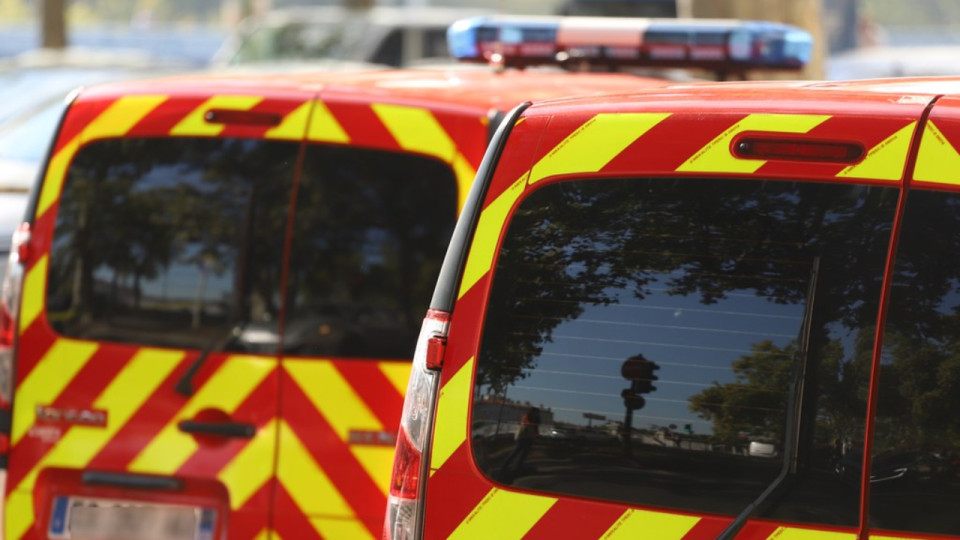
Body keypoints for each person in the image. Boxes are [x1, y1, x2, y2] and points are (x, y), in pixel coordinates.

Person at [499, 407, 540, 482]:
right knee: (518, 453)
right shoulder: (528, 417)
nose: (538, 414)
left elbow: (534, 429)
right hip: (524, 437)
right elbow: (529, 426)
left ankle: (513, 468)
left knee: (520, 454)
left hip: (525, 437)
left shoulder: (531, 418)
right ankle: (507, 467)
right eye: (537, 413)